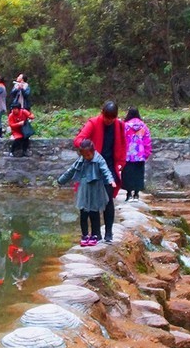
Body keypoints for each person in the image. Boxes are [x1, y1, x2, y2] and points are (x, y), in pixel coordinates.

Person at [73, 100, 126, 242]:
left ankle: (109, 233)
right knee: (94, 201)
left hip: (110, 167)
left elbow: (123, 145)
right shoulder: (93, 123)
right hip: (93, 168)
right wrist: (88, 148)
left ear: (115, 116)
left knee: (108, 201)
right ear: (102, 113)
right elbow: (78, 140)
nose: (109, 121)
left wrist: (121, 163)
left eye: (112, 118)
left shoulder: (119, 125)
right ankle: (97, 233)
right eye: (106, 117)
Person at [56, 138, 116, 247]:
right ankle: (84, 235)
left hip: (95, 187)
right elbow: (71, 170)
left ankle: (95, 235)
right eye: (84, 155)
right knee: (83, 212)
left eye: (88, 155)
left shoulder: (99, 159)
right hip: (84, 188)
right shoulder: (81, 160)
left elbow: (105, 170)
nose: (87, 158)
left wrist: (111, 180)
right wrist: (61, 180)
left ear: (93, 151)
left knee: (94, 212)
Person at [121, 107, 151, 201]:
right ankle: (136, 194)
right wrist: (146, 153)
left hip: (128, 155)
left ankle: (129, 194)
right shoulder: (144, 126)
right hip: (140, 155)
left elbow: (121, 141)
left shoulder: (125, 126)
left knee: (127, 174)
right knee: (138, 174)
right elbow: (147, 141)